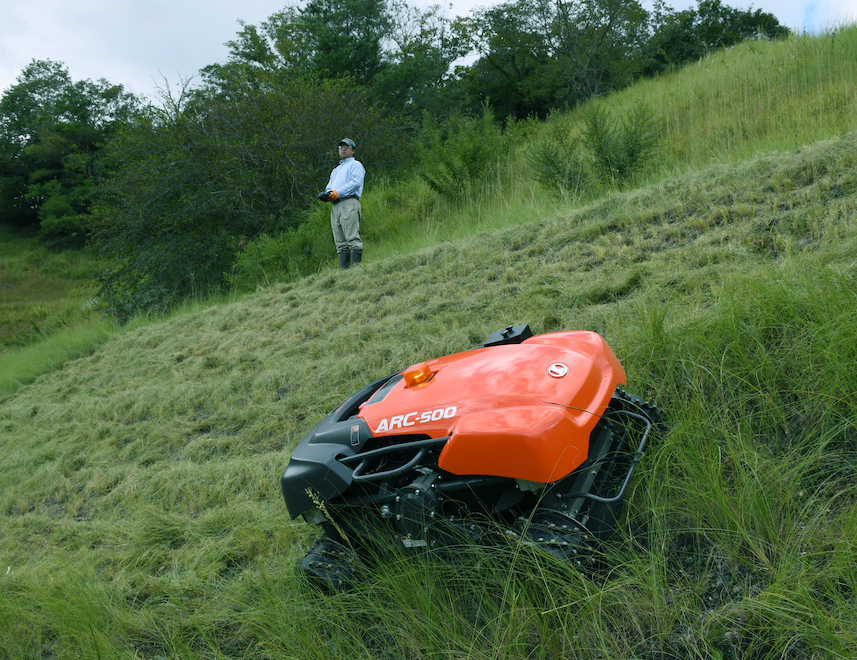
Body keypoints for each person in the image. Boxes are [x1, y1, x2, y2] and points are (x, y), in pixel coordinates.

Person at [319, 138, 365, 269]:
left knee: (352, 238)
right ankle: (344, 275)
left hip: (349, 201)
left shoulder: (356, 165)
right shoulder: (336, 170)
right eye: (340, 147)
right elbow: (330, 187)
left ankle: (355, 272)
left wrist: (337, 192)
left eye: (346, 146)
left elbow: (355, 183)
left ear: (353, 150)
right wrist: (326, 195)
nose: (343, 149)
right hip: (336, 205)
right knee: (340, 242)